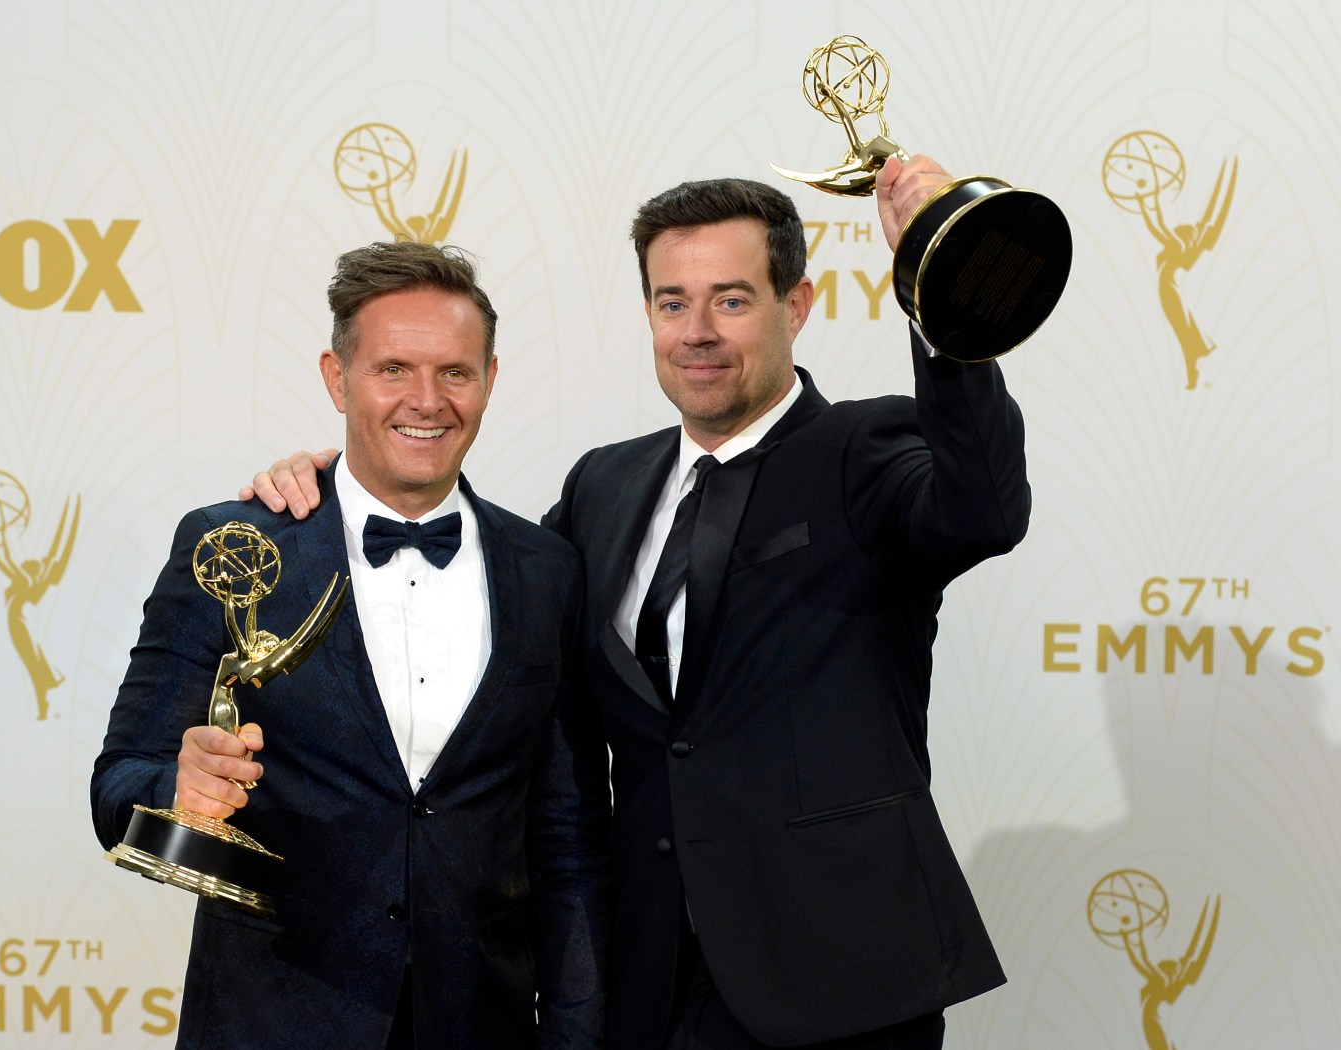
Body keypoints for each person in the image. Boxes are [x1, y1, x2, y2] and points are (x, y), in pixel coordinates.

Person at [247, 155, 1031, 1049]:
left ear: (798, 306)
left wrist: (944, 292)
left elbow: (985, 510)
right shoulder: (604, 485)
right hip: (646, 979)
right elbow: (486, 577)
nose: (697, 330)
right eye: (671, 302)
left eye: (731, 300)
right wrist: (346, 488)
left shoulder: (868, 448)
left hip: (836, 975)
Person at [92, 241, 609, 1049]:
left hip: (482, 1025)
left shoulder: (548, 571)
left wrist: (577, 1032)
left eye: (455, 373)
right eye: (393, 369)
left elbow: (567, 833)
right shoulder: (232, 547)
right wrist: (176, 786)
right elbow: (115, 785)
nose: (427, 401)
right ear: (338, 378)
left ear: (491, 380)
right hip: (272, 1022)